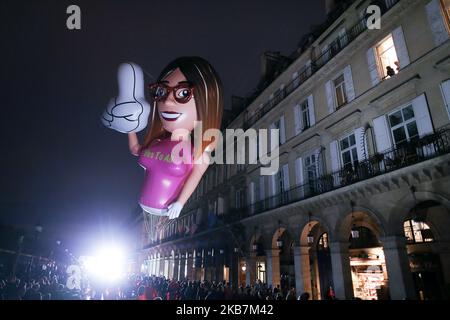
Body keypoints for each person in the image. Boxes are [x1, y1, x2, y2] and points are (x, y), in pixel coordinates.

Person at [127, 57, 224, 219]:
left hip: (166, 207)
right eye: (161, 92)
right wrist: (129, 126)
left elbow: (196, 177)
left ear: (207, 104)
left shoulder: (198, 154)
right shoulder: (157, 142)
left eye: (184, 93)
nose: (168, 101)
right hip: (145, 203)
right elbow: (135, 149)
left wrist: (180, 203)